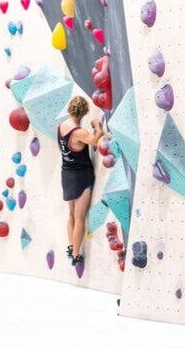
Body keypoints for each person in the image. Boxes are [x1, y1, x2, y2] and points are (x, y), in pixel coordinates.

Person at [57, 96, 104, 266]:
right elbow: (95, 140)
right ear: (83, 112)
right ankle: (76, 255)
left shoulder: (61, 127)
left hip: (66, 175)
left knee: (71, 215)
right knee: (80, 218)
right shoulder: (78, 132)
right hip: (81, 177)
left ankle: (71, 247)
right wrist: (97, 126)